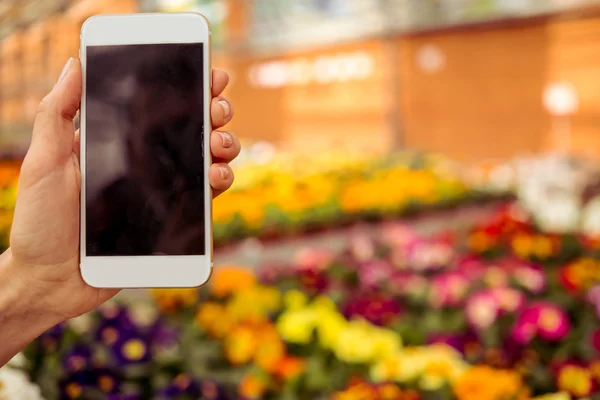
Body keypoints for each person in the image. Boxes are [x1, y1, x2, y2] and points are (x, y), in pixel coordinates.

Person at [0, 58, 240, 366]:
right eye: (158, 138)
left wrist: (28, 286)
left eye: (184, 131)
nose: (172, 155)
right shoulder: (97, 215)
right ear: (130, 147)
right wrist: (30, 280)